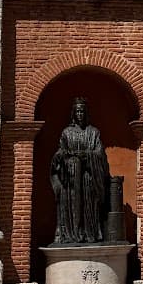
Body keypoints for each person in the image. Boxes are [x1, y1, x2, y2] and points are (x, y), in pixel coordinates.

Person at [50, 96, 109, 243]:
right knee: (72, 206)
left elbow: (99, 153)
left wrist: (86, 156)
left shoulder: (94, 132)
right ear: (73, 114)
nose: (80, 114)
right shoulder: (66, 133)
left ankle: (90, 234)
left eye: (82, 111)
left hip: (89, 177)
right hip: (71, 178)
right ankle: (71, 234)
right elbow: (60, 152)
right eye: (77, 112)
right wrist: (63, 156)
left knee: (88, 207)